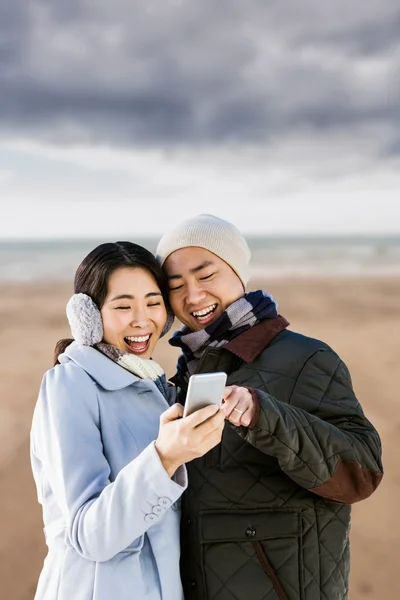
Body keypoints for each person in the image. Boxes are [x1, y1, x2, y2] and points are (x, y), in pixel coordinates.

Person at [156, 214, 384, 600]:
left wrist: (264, 416)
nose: (193, 296)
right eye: (176, 285)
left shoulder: (306, 358)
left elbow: (360, 473)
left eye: (206, 275)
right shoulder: (184, 373)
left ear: (238, 272)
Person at [30, 241, 225, 600]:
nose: (142, 319)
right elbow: (90, 535)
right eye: (123, 306)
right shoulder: (69, 386)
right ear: (87, 316)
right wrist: (165, 457)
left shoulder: (154, 384)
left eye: (153, 303)